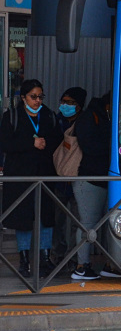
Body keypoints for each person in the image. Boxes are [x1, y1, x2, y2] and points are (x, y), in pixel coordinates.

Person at [0, 79, 62, 277]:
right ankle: (24, 259)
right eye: (33, 97)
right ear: (23, 97)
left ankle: (45, 258)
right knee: (23, 219)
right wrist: (31, 143)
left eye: (40, 97)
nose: (37, 101)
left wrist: (44, 143)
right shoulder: (12, 116)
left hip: (45, 174)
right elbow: (6, 143)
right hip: (20, 176)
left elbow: (57, 138)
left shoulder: (48, 115)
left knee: (45, 216)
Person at [72, 91, 121, 280]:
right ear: (109, 104)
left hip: (106, 179)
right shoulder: (89, 117)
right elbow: (89, 146)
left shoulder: (105, 117)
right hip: (89, 179)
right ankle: (81, 266)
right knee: (88, 224)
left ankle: (111, 264)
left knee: (108, 224)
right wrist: (111, 146)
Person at [51, 86, 87, 268]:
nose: (65, 105)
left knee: (76, 222)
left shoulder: (85, 123)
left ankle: (73, 258)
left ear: (79, 106)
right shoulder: (55, 121)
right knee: (56, 220)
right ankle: (56, 254)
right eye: (63, 102)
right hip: (58, 179)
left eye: (70, 103)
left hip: (77, 180)